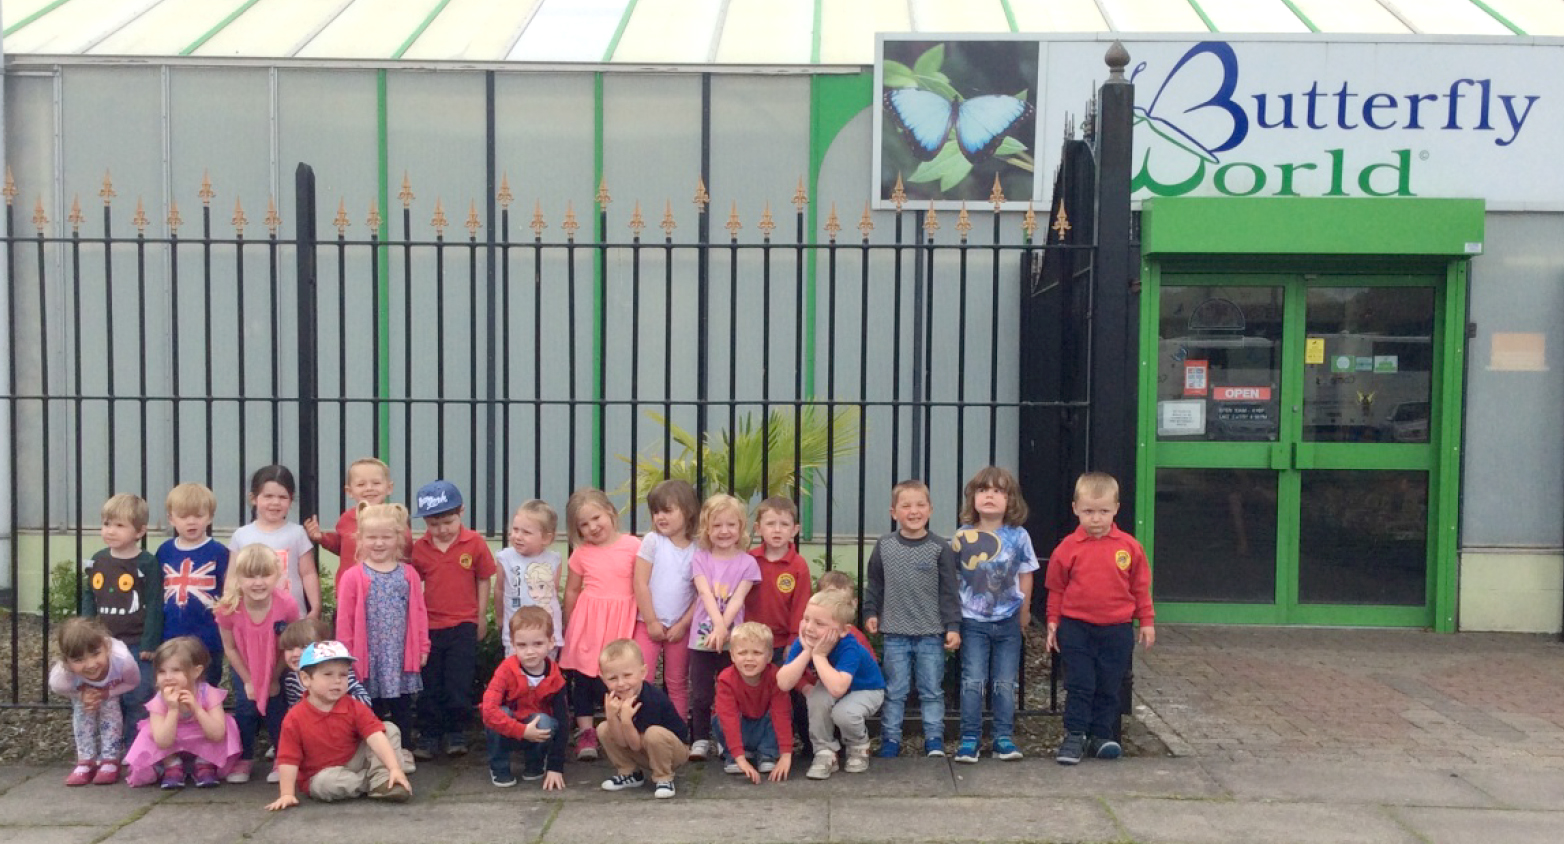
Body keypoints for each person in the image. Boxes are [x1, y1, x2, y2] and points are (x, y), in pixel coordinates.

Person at [1045, 471, 1155, 765]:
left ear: (1116, 509)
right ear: (1075, 509)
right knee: (1080, 683)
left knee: (1109, 683)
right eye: (1089, 512)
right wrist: (1053, 622)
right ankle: (1075, 735)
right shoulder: (1067, 548)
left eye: (1103, 511)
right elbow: (1056, 588)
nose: (1096, 519)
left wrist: (1146, 620)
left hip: (1117, 628)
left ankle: (1102, 736)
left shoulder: (1129, 547)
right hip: (1076, 627)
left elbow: (1140, 587)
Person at [863, 480, 961, 758]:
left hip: (931, 633)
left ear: (930, 510)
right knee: (895, 691)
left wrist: (953, 626)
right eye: (906, 506)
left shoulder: (940, 548)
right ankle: (890, 740)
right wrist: (871, 612)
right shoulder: (884, 546)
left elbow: (949, 591)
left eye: (920, 505)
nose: (914, 511)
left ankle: (934, 740)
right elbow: (875, 584)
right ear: (894, 512)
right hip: (894, 633)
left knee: (931, 690)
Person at [951, 466, 1037, 764]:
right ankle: (969, 738)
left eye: (998, 491)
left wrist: (1025, 611)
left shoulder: (1019, 535)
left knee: (1004, 681)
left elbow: (1026, 574)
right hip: (972, 621)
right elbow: (954, 577)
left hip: (1008, 620)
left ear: (1010, 500)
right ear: (972, 497)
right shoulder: (963, 536)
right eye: (983, 490)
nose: (990, 495)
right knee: (972, 680)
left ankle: (1003, 737)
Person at [266, 641, 412, 809]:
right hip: (324, 774)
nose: (337, 681)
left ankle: (386, 777)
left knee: (388, 729)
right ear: (306, 679)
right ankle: (376, 783)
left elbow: (375, 736)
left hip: (355, 760)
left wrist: (394, 767)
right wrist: (287, 794)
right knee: (325, 784)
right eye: (328, 674)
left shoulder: (353, 705)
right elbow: (288, 759)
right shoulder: (294, 718)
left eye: (343, 675)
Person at [336, 503, 430, 762]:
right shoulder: (353, 576)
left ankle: (404, 750)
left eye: (386, 537)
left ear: (398, 538)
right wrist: (346, 655)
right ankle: (374, 753)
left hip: (398, 653)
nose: (379, 543)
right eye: (372, 537)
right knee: (369, 705)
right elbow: (344, 620)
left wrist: (422, 646)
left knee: (401, 705)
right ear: (360, 538)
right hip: (367, 655)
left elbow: (419, 614)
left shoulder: (408, 574)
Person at [409, 479, 495, 759]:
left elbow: (484, 579)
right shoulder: (419, 548)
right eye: (433, 524)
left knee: (458, 682)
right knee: (430, 683)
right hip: (430, 627)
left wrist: (480, 616)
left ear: (461, 513)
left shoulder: (474, 543)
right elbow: (412, 585)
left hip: (463, 625)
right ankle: (429, 735)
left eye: (448, 521)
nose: (442, 530)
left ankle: (457, 732)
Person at [557, 487, 640, 761]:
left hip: (620, 620)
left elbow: (642, 582)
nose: (592, 527)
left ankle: (618, 731)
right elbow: (571, 590)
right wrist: (569, 624)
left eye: (596, 518)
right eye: (583, 524)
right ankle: (586, 733)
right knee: (584, 679)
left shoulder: (633, 546)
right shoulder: (581, 554)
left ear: (611, 513)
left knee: (617, 678)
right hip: (589, 622)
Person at [215, 545, 301, 783]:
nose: (258, 582)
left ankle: (282, 757)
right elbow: (230, 648)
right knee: (245, 708)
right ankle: (244, 757)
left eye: (265, 575)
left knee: (277, 708)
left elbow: (291, 644)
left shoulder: (286, 604)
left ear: (277, 575)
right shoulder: (228, 608)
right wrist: (248, 680)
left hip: (276, 665)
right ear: (238, 578)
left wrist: (274, 678)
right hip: (244, 665)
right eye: (250, 576)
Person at [685, 494, 761, 761]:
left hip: (733, 639)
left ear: (741, 528)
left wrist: (723, 628)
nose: (724, 531)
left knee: (729, 691)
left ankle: (726, 735)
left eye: (731, 525)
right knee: (701, 692)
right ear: (707, 528)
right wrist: (717, 628)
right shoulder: (700, 558)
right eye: (717, 525)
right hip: (702, 639)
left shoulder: (748, 563)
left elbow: (739, 598)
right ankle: (700, 738)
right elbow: (704, 594)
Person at [778, 590, 885, 780]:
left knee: (844, 713)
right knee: (816, 698)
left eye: (819, 624)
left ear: (844, 630)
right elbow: (783, 683)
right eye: (806, 619)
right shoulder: (805, 641)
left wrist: (818, 655)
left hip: (866, 689)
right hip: (834, 684)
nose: (809, 628)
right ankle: (824, 751)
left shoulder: (849, 645)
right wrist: (807, 652)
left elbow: (838, 688)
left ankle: (859, 746)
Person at [82, 493, 160, 738]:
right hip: (105, 644)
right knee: (110, 696)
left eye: (119, 525)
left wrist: (150, 642)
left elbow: (156, 604)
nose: (110, 531)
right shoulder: (98, 559)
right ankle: (113, 748)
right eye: (106, 524)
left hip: (137, 643)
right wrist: (87, 631)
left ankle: (136, 746)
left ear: (139, 531)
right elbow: (88, 596)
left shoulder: (147, 563)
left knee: (138, 695)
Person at [123, 637, 240, 788]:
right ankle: (172, 764)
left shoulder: (207, 693)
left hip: (203, 736)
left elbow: (217, 734)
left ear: (196, 671)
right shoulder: (159, 699)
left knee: (226, 724)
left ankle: (204, 762)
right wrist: (172, 709)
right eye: (162, 672)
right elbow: (162, 741)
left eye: (176, 670)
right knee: (149, 732)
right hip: (172, 739)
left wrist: (197, 709)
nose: (168, 677)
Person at [744, 496, 812, 755]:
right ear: (758, 528)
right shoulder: (749, 560)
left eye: (784, 524)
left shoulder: (798, 566)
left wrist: (795, 640)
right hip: (752, 642)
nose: (777, 530)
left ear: (794, 530)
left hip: (784, 643)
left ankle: (805, 743)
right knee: (756, 692)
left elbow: (802, 606)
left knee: (791, 692)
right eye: (770, 523)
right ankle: (756, 743)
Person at [631, 479, 699, 720]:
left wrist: (683, 624)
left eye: (667, 511)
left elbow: (701, 594)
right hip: (647, 622)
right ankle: (639, 728)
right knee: (640, 678)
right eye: (656, 511)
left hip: (680, 626)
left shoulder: (699, 548)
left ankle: (677, 733)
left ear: (688, 511)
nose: (660, 517)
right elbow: (640, 582)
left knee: (677, 682)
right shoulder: (652, 541)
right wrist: (650, 621)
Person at [480, 606, 568, 790]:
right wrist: (521, 731)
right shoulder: (505, 670)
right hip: (508, 727)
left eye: (538, 644)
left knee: (545, 721)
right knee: (499, 713)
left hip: (535, 731)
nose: (530, 652)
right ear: (512, 644)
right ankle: (500, 767)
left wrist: (555, 767)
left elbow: (563, 721)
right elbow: (488, 710)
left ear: (551, 642)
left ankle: (535, 763)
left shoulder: (555, 676)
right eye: (522, 645)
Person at [49, 617, 141, 786]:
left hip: (111, 689)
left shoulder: (122, 660)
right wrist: (81, 696)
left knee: (111, 708)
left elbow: (133, 682)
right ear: (66, 661)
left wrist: (107, 692)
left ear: (106, 647)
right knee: (82, 709)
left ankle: (110, 759)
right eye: (78, 660)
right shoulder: (62, 674)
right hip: (83, 692)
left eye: (96, 654)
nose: (90, 664)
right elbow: (58, 688)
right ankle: (86, 759)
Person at [595, 639, 689, 799]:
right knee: (603, 728)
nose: (621, 683)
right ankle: (629, 773)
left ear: (643, 673)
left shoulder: (652, 699)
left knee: (654, 733)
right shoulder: (612, 697)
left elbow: (635, 744)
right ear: (603, 679)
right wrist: (612, 716)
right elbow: (622, 742)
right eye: (612, 678)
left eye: (627, 675)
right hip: (643, 749)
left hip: (673, 752)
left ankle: (664, 777)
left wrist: (625, 720)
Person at [155, 484, 228, 686]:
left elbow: (228, 592)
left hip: (208, 638)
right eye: (184, 516)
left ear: (210, 517)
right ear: (171, 519)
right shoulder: (164, 551)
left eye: (198, 515)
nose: (191, 522)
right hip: (171, 635)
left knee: (206, 688)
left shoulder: (219, 552)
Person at [230, 465, 320, 619]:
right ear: (253, 498)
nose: (275, 502)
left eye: (282, 497)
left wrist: (316, 608)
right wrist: (229, 604)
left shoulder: (297, 533)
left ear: (291, 500)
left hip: (292, 616)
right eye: (268, 496)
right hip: (252, 617)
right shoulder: (241, 535)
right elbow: (233, 575)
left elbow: (308, 573)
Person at [304, 457, 401, 593]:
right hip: (350, 590)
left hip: (385, 592)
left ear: (389, 488)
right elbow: (341, 546)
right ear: (349, 491)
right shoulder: (346, 518)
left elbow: (406, 551)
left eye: (376, 483)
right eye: (361, 485)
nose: (369, 488)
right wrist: (321, 538)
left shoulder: (396, 517)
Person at [712, 622, 793, 783]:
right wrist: (740, 758)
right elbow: (729, 719)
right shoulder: (726, 680)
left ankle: (767, 753)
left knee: (781, 712)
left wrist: (786, 755)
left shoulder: (775, 677)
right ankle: (733, 755)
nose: (749, 658)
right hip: (739, 726)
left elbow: (781, 715)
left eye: (757, 653)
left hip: (763, 728)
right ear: (733, 656)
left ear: (769, 656)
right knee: (720, 718)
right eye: (742, 653)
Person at [494, 500, 563, 657]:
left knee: (546, 674)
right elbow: (499, 589)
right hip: (517, 633)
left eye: (526, 532)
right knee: (515, 674)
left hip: (546, 632)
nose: (517, 536)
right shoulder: (505, 557)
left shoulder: (553, 560)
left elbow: (553, 592)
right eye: (515, 529)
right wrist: (499, 618)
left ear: (546, 538)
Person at [279, 618, 374, 711]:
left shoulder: (338, 672)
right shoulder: (291, 679)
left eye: (304, 647)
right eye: (289, 648)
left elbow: (365, 700)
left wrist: (329, 706)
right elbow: (294, 709)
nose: (295, 653)